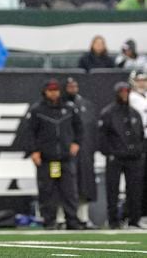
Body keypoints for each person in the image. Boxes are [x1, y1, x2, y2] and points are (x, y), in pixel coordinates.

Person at [24, 79, 82, 230]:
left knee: (69, 192)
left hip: (65, 157)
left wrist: (76, 143)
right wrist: (34, 151)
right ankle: (49, 221)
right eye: (50, 90)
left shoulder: (69, 108)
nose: (54, 93)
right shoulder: (37, 110)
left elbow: (79, 128)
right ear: (45, 92)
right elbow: (30, 132)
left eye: (56, 90)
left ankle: (72, 221)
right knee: (48, 192)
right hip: (46, 159)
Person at [98, 82, 145, 229]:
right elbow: (102, 136)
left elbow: (141, 136)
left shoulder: (134, 113)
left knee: (135, 190)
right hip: (115, 157)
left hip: (133, 158)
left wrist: (139, 151)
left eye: (127, 91)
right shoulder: (108, 113)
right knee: (113, 190)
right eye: (122, 92)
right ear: (117, 93)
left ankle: (134, 220)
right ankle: (113, 221)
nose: (124, 94)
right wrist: (109, 152)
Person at [62, 78, 98, 229]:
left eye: (74, 85)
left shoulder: (86, 105)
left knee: (85, 185)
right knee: (62, 186)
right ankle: (61, 219)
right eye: (69, 86)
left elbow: (90, 130)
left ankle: (83, 217)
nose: (72, 88)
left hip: (84, 152)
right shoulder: (58, 105)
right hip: (62, 153)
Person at [128, 71, 147, 219]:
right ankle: (138, 214)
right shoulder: (131, 98)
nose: (142, 83)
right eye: (139, 80)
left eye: (144, 80)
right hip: (139, 141)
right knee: (138, 179)